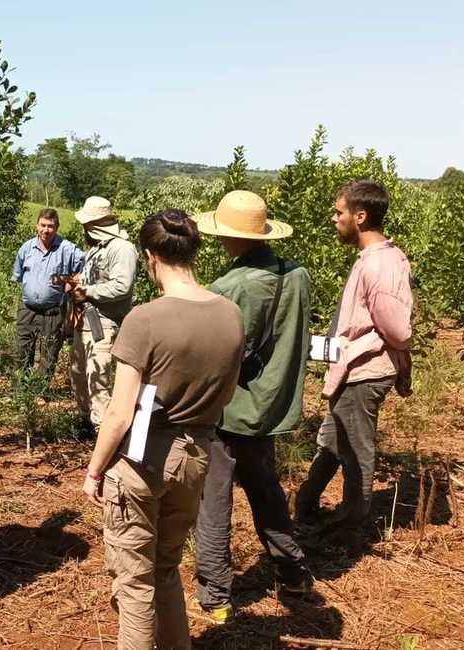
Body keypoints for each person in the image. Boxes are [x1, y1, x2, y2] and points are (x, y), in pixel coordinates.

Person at [81, 211, 243, 650]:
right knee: (166, 567)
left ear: (150, 257)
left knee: (134, 585)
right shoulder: (230, 315)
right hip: (195, 458)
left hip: (141, 461)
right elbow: (226, 395)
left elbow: (119, 413)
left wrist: (95, 470)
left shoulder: (145, 318)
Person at [190, 190, 313, 623]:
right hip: (271, 406)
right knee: (265, 490)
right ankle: (293, 571)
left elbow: (222, 355)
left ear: (227, 235)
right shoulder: (295, 274)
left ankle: (215, 594)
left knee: (213, 498)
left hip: (230, 411)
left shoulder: (230, 287)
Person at [296, 180, 413, 530]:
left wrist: (360, 346)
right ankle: (304, 506)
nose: (334, 219)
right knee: (332, 441)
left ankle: (350, 531)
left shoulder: (378, 265)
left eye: (338, 212)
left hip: (364, 372)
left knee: (357, 453)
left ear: (359, 216)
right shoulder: (378, 259)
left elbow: (399, 331)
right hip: (354, 369)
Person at [68, 196, 138, 435]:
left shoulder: (122, 249)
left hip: (105, 323)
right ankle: (86, 420)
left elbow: (122, 286)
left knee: (98, 377)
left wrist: (87, 291)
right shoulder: (96, 249)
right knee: (78, 371)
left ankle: (104, 431)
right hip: (86, 321)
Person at [11, 207, 84, 379]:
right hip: (27, 309)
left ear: (57, 227)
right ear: (36, 226)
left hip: (53, 311)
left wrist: (71, 283)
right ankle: (20, 391)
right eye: (43, 225)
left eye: (50, 226)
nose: (46, 230)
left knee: (49, 353)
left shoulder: (67, 249)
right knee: (22, 349)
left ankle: (40, 391)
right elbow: (19, 276)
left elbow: (86, 266)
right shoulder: (26, 248)